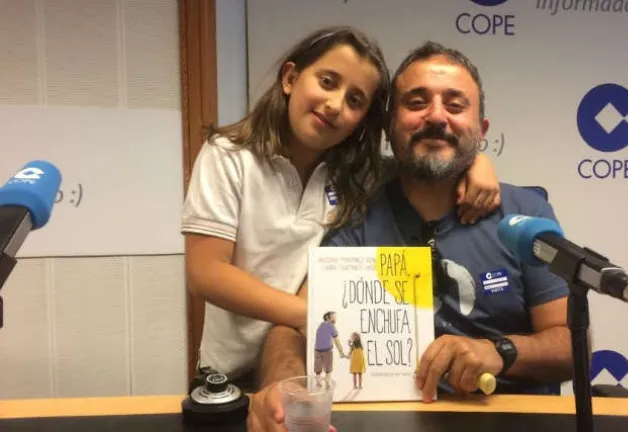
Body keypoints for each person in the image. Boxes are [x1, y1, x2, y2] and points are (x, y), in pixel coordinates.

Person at [180, 26, 501, 430]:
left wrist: (478, 162)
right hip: (233, 376)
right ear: (290, 78)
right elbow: (206, 273)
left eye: (355, 100)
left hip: (318, 373)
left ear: (363, 120)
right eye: (327, 82)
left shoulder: (358, 173)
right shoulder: (229, 157)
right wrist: (309, 314)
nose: (335, 105)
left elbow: (427, 162)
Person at [252, 40, 575, 426]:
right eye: (417, 102)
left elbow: (572, 345)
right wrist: (282, 382)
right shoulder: (356, 215)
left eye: (455, 105)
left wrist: (500, 351)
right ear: (389, 127)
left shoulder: (525, 215)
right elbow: (292, 325)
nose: (436, 117)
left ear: (481, 131)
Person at [313, 312, 346, 383]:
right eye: (333, 317)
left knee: (319, 370)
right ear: (327, 318)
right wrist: (341, 352)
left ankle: (320, 382)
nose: (335, 319)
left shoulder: (321, 325)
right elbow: (337, 341)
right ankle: (326, 382)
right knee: (327, 370)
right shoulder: (331, 326)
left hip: (318, 350)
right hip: (325, 351)